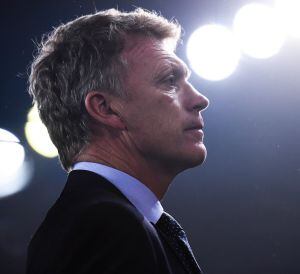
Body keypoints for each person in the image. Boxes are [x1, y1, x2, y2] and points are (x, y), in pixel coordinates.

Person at [26, 8, 209, 274]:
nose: (200, 100)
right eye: (170, 81)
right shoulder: (105, 227)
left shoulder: (94, 221)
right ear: (105, 108)